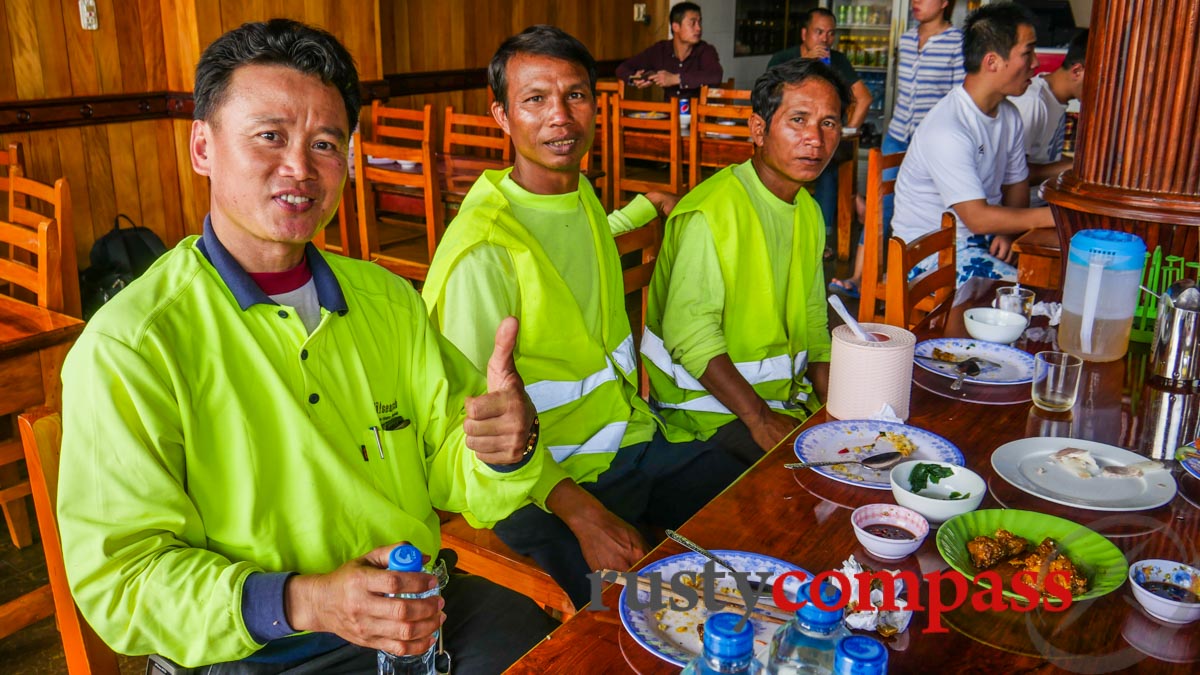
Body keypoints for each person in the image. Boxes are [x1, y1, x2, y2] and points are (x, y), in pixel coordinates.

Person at [55, 19, 558, 673]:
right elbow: (123, 582)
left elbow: (454, 464)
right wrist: (304, 600)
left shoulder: (388, 302)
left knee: (560, 653)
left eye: (325, 143)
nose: (299, 166)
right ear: (202, 146)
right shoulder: (133, 346)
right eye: (270, 136)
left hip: (414, 612)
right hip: (255, 645)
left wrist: (503, 448)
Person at [422, 25, 745, 611]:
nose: (559, 118)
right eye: (535, 99)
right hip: (541, 487)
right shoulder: (483, 250)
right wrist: (582, 512)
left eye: (574, 95)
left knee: (749, 513)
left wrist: (646, 207)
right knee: (628, 614)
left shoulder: (579, 194)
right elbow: (470, 431)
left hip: (628, 440)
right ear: (501, 115)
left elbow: (577, 242)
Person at [642, 58, 849, 463]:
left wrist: (837, 406)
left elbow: (812, 319)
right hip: (703, 413)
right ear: (758, 130)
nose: (815, 139)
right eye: (799, 120)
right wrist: (759, 419)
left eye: (829, 123)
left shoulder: (805, 209)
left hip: (781, 402)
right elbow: (691, 337)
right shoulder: (713, 213)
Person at [890, 2, 1055, 286]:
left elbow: (1016, 183)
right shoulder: (948, 127)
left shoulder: (1009, 115)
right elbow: (977, 218)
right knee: (1028, 293)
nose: (1036, 63)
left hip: (982, 242)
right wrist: (1056, 217)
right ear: (992, 62)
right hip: (928, 255)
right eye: (1027, 53)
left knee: (1046, 280)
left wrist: (1008, 233)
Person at [829, 0, 963, 299]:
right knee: (880, 204)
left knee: (923, 207)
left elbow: (958, 99)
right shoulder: (905, 38)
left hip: (931, 140)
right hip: (898, 133)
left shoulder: (956, 42)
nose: (915, 2)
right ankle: (859, 277)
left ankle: (913, 280)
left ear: (944, 3)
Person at [768, 8, 872, 261]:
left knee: (827, 167)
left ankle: (821, 239)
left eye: (830, 33)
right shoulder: (783, 58)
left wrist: (845, 131)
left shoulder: (836, 61)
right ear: (804, 34)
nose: (825, 39)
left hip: (821, 142)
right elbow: (767, 99)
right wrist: (807, 65)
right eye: (818, 32)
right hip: (787, 139)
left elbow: (864, 98)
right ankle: (776, 234)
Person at [1009, 29, 1088, 206]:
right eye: (1103, 80)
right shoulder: (1033, 102)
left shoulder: (1055, 100)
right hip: (1029, 209)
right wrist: (1081, 167)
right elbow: (1015, 175)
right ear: (1077, 71)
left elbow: (1047, 160)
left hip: (1046, 202)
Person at [616, 2, 723, 100]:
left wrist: (676, 79)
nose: (698, 28)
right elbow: (622, 69)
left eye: (699, 22)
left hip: (698, 117)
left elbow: (715, 75)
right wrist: (634, 78)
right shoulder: (660, 50)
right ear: (676, 27)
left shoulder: (706, 50)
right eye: (692, 23)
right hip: (668, 117)